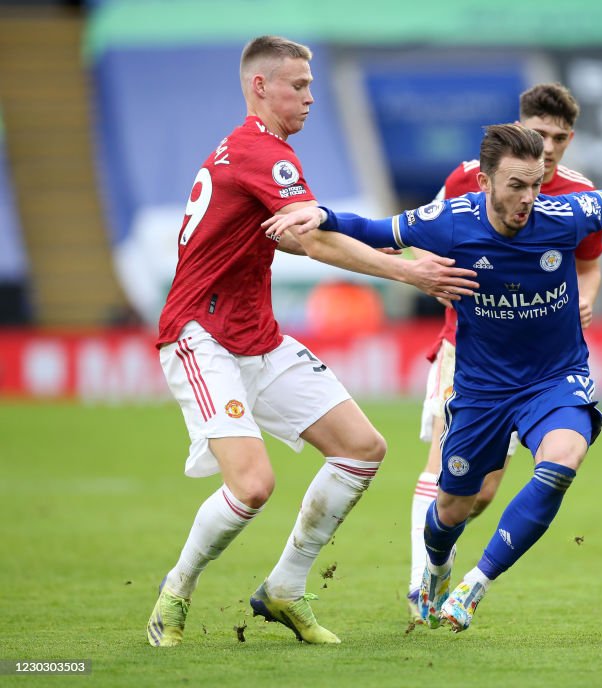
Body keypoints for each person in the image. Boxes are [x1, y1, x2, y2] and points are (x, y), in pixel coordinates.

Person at [263, 123, 602, 633]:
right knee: (455, 506)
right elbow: (375, 230)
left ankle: (475, 584)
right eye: (516, 186)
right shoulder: (449, 222)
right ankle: (438, 565)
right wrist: (323, 214)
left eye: (535, 184)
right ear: (484, 182)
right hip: (482, 390)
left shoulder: (565, 215)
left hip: (555, 378)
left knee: (562, 462)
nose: (529, 198)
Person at [146, 35, 478, 648]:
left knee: (362, 448)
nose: (310, 97)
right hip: (201, 334)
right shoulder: (262, 153)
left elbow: (305, 234)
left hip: (257, 339)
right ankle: (176, 590)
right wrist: (410, 270)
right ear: (260, 87)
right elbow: (317, 240)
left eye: (311, 84)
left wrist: (387, 250)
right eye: (298, 86)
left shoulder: (256, 154)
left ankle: (284, 590)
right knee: (252, 486)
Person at [405, 83, 602, 613]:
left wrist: (584, 299)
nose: (552, 145)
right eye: (540, 134)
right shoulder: (467, 177)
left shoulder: (579, 192)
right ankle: (421, 581)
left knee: (484, 493)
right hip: (466, 344)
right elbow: (432, 235)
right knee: (443, 467)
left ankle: (445, 560)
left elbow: (589, 264)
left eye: (560, 137)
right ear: (519, 129)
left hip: (538, 359)